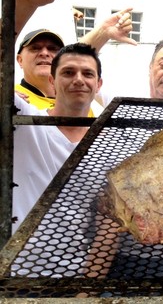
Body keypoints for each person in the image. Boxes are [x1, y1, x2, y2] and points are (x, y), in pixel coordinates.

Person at [13, 0, 135, 113]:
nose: (44, 53)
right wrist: (25, 6)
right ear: (19, 60)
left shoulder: (81, 103)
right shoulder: (14, 99)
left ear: (98, 84)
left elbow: (75, 59)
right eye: (35, 48)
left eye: (53, 49)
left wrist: (103, 32)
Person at [12, 43, 103, 233]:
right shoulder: (25, 121)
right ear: (52, 81)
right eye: (68, 72)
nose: (78, 80)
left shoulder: (107, 142)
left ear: (98, 84)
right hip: (16, 260)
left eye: (87, 74)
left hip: (80, 260)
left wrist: (94, 263)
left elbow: (108, 218)